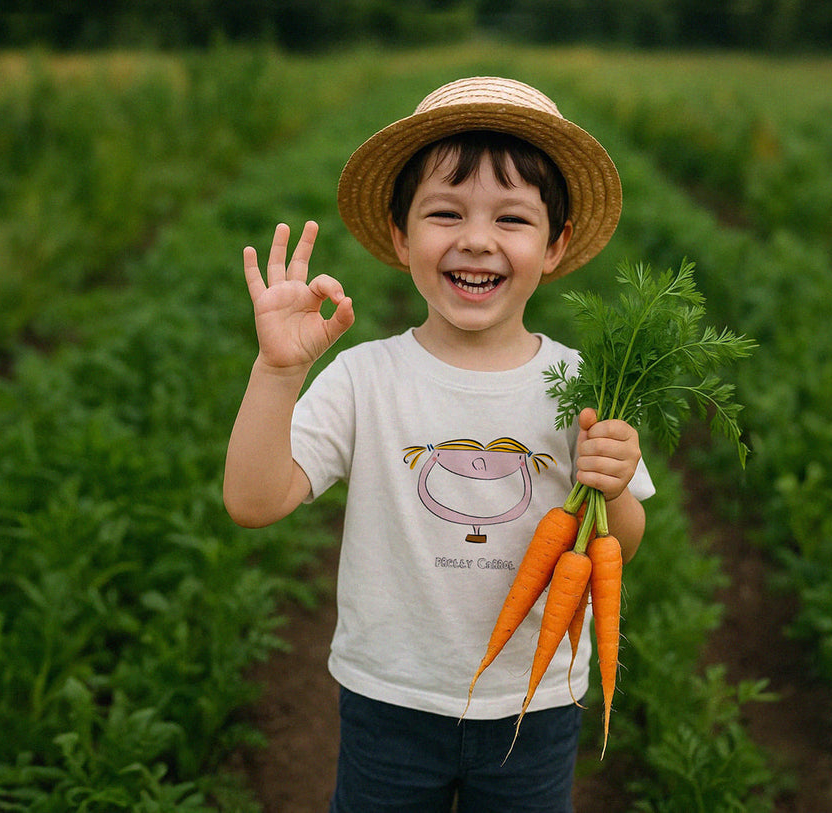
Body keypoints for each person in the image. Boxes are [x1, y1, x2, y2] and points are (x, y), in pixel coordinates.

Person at [223, 76, 654, 812]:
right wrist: (278, 370)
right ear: (400, 237)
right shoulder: (367, 376)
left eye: (511, 219)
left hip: (537, 699)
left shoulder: (581, 384)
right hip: (389, 698)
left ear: (555, 245)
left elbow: (621, 543)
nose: (476, 239)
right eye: (444, 213)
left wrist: (613, 488)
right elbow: (253, 501)